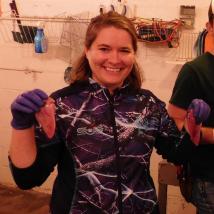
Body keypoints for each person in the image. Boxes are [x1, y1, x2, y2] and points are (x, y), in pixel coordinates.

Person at [9, 11, 209, 214]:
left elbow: (179, 153)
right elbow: (28, 179)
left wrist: (193, 126)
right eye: (104, 48)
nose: (114, 59)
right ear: (87, 50)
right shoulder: (62, 105)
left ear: (133, 54)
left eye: (124, 50)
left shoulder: (148, 105)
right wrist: (21, 125)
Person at [167, 1, 214, 213]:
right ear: (210, 26)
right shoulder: (195, 71)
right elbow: (174, 122)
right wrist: (205, 134)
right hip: (210, 180)